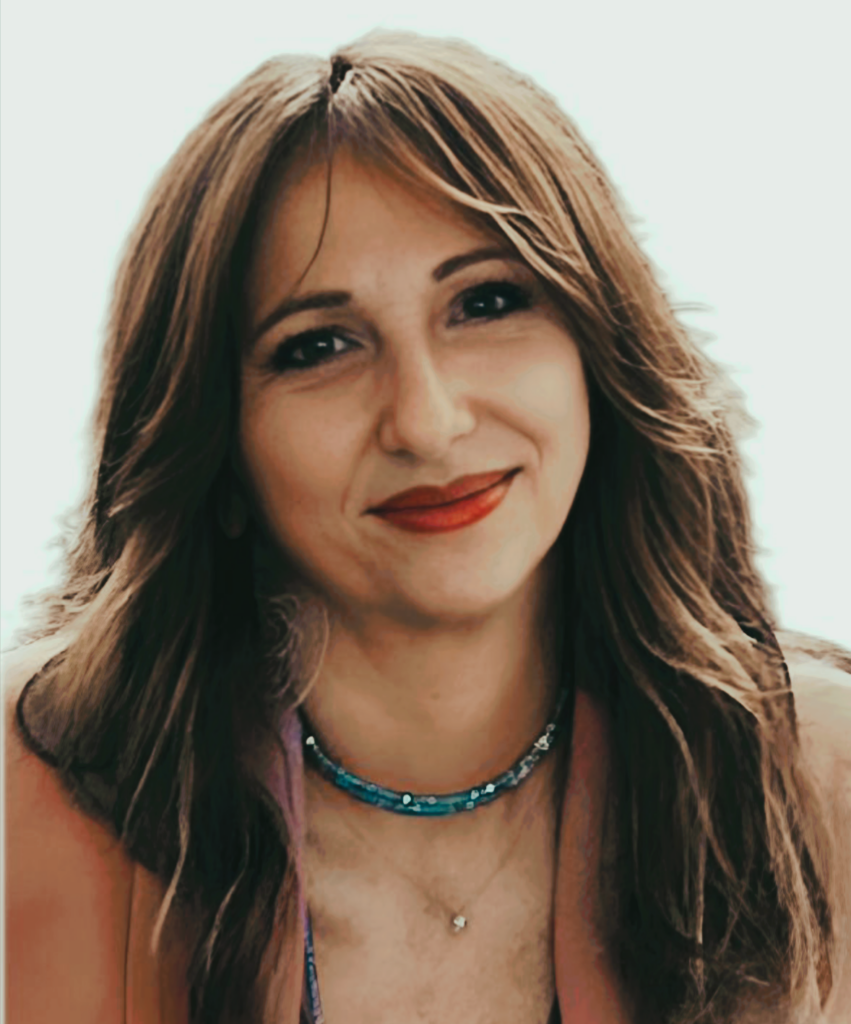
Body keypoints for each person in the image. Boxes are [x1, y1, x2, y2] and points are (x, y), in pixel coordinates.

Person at [4, 29, 850, 1024]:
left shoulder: (822, 782)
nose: (426, 420)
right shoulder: (33, 796)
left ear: (599, 352)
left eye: (485, 302)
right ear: (214, 446)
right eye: (317, 346)